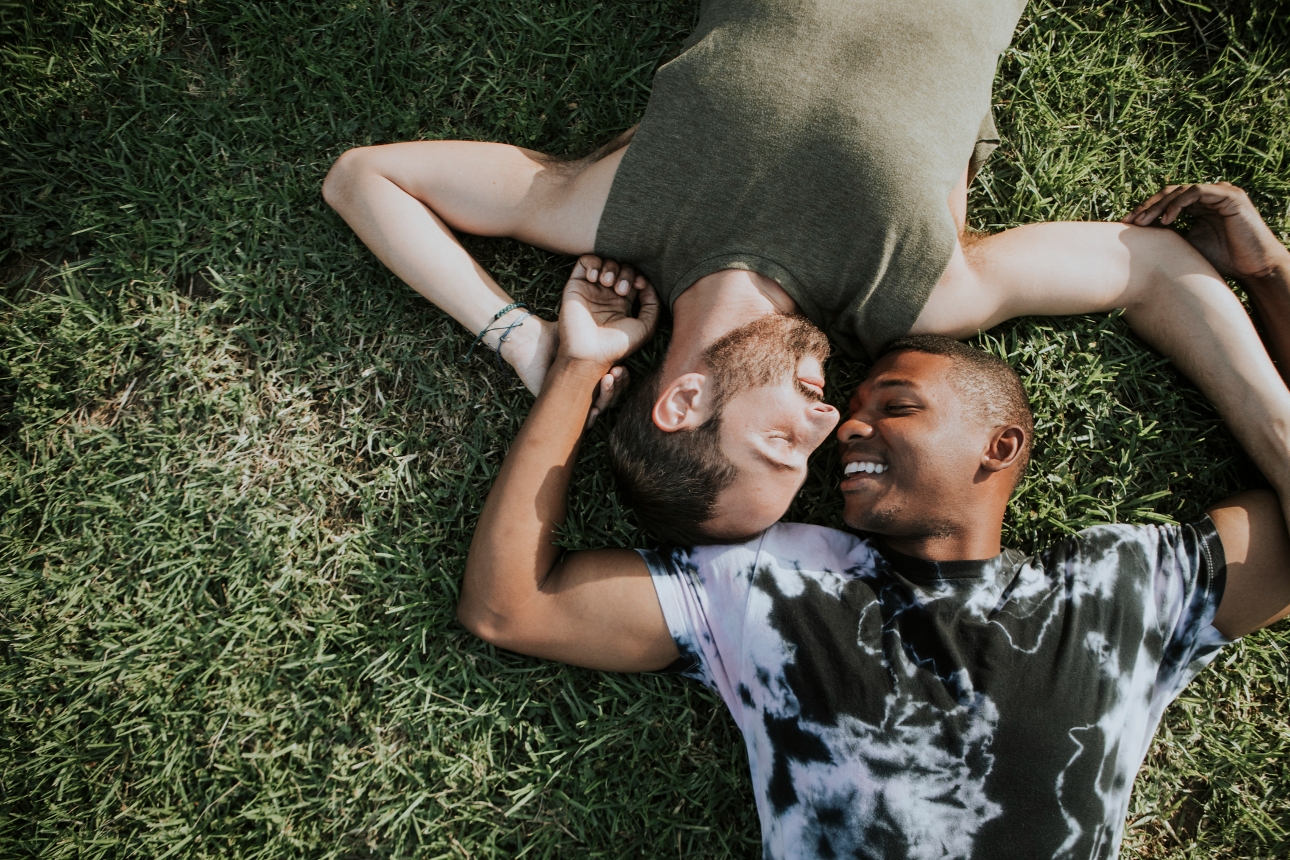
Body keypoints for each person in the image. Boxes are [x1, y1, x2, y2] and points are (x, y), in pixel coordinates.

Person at [456, 184, 1290, 859]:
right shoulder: (767, 582)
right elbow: (510, 606)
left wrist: (1272, 281)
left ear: (1000, 446)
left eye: (895, 407)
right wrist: (580, 369)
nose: (845, 428)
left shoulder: (1123, 595)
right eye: (847, 410)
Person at [323, 0, 1290, 545]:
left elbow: (365, 178)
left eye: (784, 448)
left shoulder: (614, 210)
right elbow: (1153, 267)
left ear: (682, 397)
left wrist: (528, 343)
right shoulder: (916, 294)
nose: (830, 424)